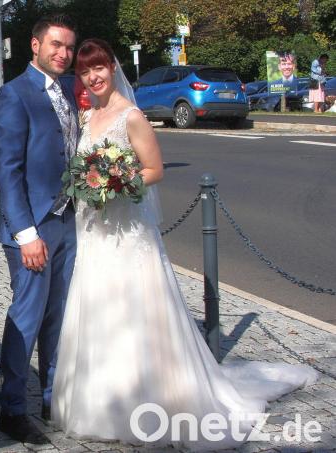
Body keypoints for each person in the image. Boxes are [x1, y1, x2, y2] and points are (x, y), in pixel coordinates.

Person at [50, 38, 318, 450]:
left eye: (98, 67)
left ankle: (156, 399)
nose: (93, 76)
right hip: (94, 231)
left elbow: (155, 169)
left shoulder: (131, 116)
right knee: (98, 307)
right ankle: (101, 402)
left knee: (138, 310)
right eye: (85, 72)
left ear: (112, 67)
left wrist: (120, 183)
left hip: (127, 229)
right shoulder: (90, 117)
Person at [0, 14, 79, 444]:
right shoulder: (14, 94)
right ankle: (12, 409)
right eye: (56, 45)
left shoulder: (67, 91)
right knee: (27, 315)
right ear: (35, 46)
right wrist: (26, 234)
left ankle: (52, 397)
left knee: (58, 317)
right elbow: (7, 171)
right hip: (33, 229)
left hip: (67, 221)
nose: (63, 53)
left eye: (68, 47)